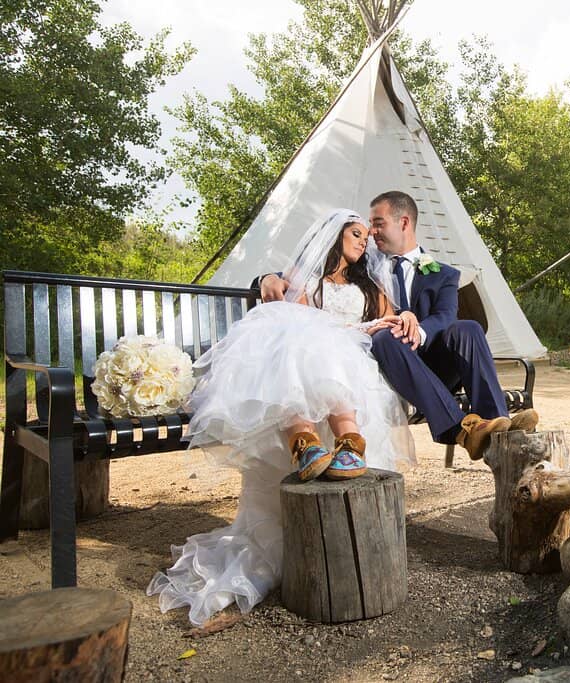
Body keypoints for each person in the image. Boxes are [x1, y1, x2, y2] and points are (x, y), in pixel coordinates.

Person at [148, 209, 414, 626]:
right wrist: (267, 281)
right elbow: (297, 324)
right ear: (333, 235)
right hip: (312, 356)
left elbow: (389, 320)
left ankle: (340, 444)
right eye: (356, 233)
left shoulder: (369, 285)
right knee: (297, 335)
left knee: (319, 345)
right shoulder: (302, 278)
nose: (364, 242)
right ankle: (308, 442)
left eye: (367, 236)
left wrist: (390, 321)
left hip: (350, 360)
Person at [261, 191, 538, 460]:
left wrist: (416, 328)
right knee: (385, 336)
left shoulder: (444, 274)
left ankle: (495, 425)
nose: (372, 232)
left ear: (403, 222)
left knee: (468, 328)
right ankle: (461, 429)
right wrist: (267, 278)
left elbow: (444, 317)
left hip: (431, 362)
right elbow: (315, 266)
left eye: (378, 224)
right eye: (368, 227)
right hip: (383, 359)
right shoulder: (368, 265)